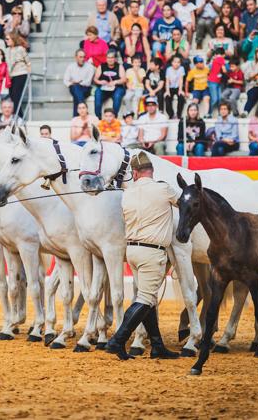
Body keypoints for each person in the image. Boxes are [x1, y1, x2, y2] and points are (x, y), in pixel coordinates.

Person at [105, 152, 179, 361]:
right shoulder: (163, 188)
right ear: (151, 172)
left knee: (148, 300)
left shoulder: (127, 193)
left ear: (135, 174)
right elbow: (184, 203)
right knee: (145, 299)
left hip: (132, 251)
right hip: (152, 251)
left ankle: (157, 346)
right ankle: (118, 339)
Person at [93, 50, 127, 119]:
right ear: (106, 58)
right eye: (108, 58)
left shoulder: (119, 66)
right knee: (97, 93)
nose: (110, 59)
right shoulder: (101, 66)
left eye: (112, 58)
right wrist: (100, 82)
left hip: (117, 88)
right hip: (104, 88)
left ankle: (114, 117)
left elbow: (124, 79)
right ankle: (98, 117)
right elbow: (95, 79)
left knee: (117, 96)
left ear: (115, 59)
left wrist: (115, 82)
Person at [63, 49, 96, 117]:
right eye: (80, 57)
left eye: (84, 57)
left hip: (86, 89)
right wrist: (73, 83)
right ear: (76, 57)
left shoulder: (90, 67)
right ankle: (85, 112)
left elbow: (88, 82)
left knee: (76, 94)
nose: (82, 59)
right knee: (76, 88)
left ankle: (75, 118)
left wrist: (76, 82)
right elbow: (66, 80)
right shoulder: (70, 66)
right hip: (73, 87)